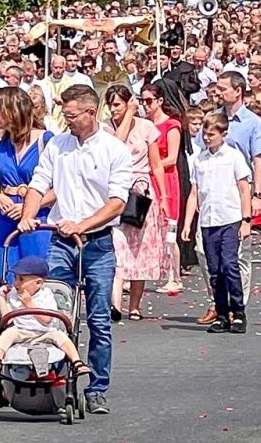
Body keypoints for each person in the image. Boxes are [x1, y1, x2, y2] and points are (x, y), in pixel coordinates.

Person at [17, 84, 133, 416]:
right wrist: (27, 215)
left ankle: (97, 389)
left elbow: (117, 202)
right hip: (61, 241)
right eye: (64, 115)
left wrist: (83, 224)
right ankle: (54, 379)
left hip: (97, 243)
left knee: (99, 319)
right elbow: (39, 183)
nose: (67, 121)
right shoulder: (58, 145)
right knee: (54, 312)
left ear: (90, 112)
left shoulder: (114, 150)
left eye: (71, 115)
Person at [182, 112, 252, 335]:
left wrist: (246, 220)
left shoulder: (233, 157)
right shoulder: (200, 160)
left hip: (230, 218)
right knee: (215, 270)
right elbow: (194, 192)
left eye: (211, 134)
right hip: (208, 221)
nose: (206, 138)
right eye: (205, 133)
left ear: (223, 134)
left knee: (229, 265)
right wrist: (187, 223)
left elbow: (244, 189)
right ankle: (222, 313)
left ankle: (238, 311)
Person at [104, 85, 170, 320]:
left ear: (128, 103)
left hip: (141, 190)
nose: (113, 110)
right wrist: (127, 116)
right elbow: (115, 147)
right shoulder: (105, 128)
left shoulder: (146, 127)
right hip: (115, 189)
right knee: (117, 247)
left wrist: (164, 196)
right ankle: (115, 304)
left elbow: (156, 164)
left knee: (140, 249)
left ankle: (135, 305)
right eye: (110, 105)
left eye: (117, 104)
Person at [0, 87, 50, 305]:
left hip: (37, 221)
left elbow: (59, 189)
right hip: (5, 220)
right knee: (4, 280)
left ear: (14, 109)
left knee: (34, 280)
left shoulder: (46, 142)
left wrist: (28, 207)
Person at [0, 256, 85, 379]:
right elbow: (7, 319)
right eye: (15, 278)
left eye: (21, 279)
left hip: (45, 332)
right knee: (6, 334)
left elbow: (46, 320)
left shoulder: (46, 295)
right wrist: (2, 298)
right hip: (21, 330)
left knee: (62, 337)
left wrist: (29, 303)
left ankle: (77, 362)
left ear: (38, 283)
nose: (16, 283)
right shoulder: (13, 294)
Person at [140, 80, 186, 292]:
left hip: (166, 180)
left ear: (159, 101)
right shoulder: (144, 125)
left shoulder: (171, 125)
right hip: (148, 181)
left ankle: (175, 276)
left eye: (149, 101)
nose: (145, 105)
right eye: (143, 101)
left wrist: (150, 166)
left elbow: (172, 158)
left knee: (169, 231)